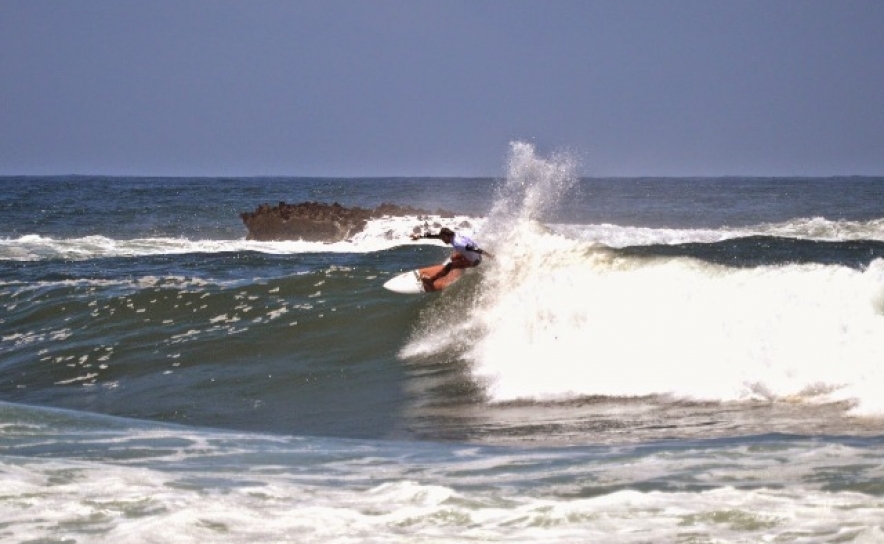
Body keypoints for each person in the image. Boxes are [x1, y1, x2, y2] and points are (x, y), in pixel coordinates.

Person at [409, 227, 492, 286]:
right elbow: (436, 236)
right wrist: (419, 236)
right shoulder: (453, 235)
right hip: (472, 255)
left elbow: (475, 249)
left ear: (446, 236)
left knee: (450, 265)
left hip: (475, 261)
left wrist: (489, 255)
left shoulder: (458, 244)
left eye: (443, 238)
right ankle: (459, 266)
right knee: (453, 258)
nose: (442, 240)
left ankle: (431, 281)